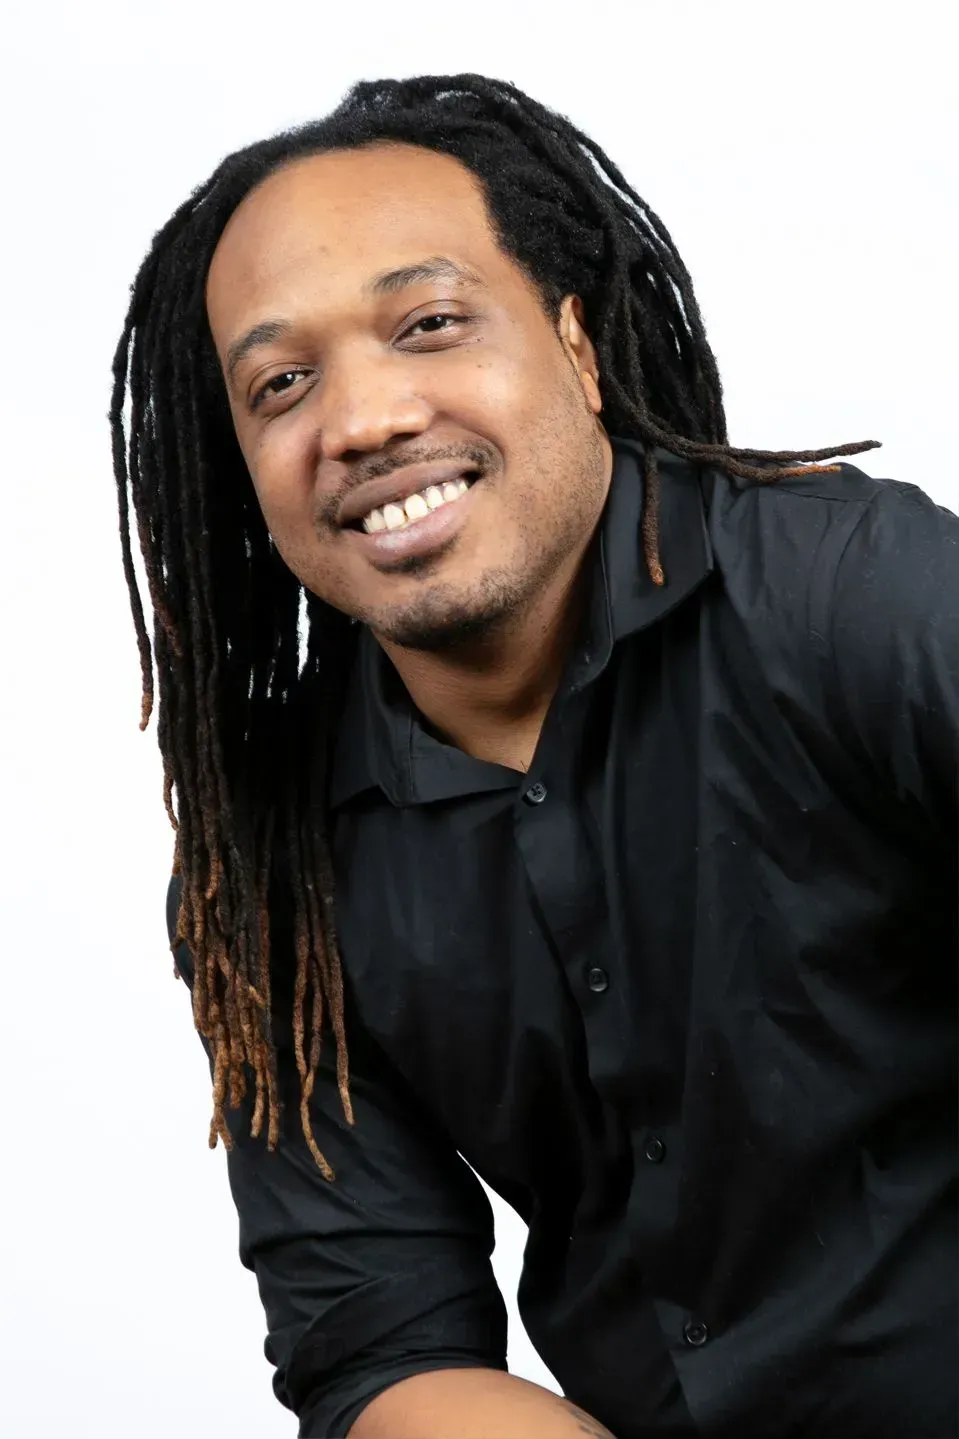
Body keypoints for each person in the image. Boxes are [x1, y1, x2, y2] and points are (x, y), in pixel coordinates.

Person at [111, 74, 958, 1439]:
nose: (365, 417)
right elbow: (377, 1346)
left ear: (574, 342)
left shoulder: (851, 595)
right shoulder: (278, 863)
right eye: (281, 383)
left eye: (430, 323)